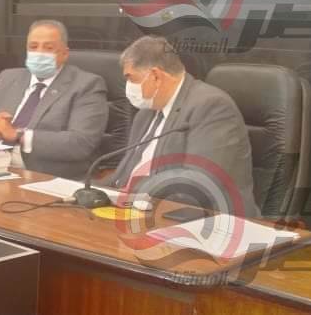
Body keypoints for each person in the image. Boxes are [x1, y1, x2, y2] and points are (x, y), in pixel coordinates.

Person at [105, 36, 260, 217]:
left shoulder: (211, 106)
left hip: (205, 219)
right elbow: (125, 173)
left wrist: (135, 190)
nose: (128, 87)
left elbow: (201, 180)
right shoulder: (146, 112)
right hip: (141, 210)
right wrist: (94, 190)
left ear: (155, 76)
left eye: (132, 79)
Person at [0, 20, 108, 179]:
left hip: (42, 176)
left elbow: (81, 143)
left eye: (48, 48)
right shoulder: (8, 77)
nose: (39, 53)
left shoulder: (87, 85)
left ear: (64, 53)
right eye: (33, 47)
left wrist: (19, 136)